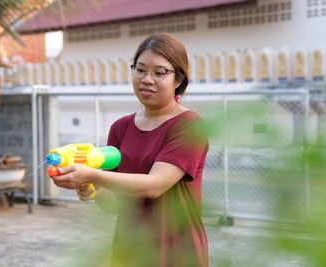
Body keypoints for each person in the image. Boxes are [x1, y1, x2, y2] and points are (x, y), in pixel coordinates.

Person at [50, 33, 209, 267]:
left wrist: (93, 175)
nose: (147, 79)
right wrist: (91, 189)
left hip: (176, 252)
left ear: (178, 79)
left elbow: (154, 185)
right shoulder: (120, 128)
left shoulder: (189, 125)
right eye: (140, 69)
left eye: (160, 72)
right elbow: (115, 204)